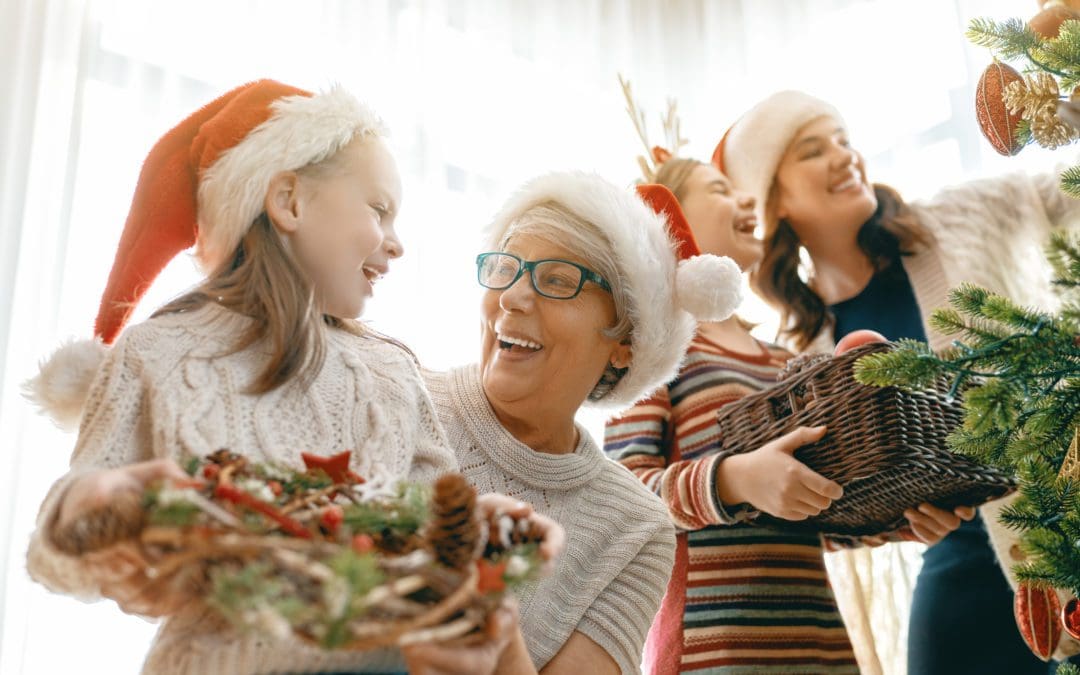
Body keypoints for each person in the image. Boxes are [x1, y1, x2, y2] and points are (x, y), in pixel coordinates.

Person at [23, 79, 560, 675]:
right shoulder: (157, 352)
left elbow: (438, 537)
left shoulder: (392, 374)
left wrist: (480, 542)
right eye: (379, 209)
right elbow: (57, 547)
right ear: (290, 202)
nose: (398, 242)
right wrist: (94, 513)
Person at [715, 90, 1080, 672]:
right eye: (813, 150)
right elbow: (840, 512)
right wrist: (903, 524)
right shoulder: (807, 356)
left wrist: (1061, 102)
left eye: (843, 140)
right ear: (773, 199)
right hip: (958, 574)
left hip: (1063, 539)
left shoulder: (952, 223)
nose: (844, 156)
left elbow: (1063, 190)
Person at [604, 153, 971, 674]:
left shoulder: (787, 363)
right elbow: (621, 499)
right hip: (715, 653)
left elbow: (814, 515)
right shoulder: (654, 353)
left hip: (817, 644)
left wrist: (902, 522)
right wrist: (733, 480)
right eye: (720, 190)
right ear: (670, 220)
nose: (748, 201)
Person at [422, 171, 746, 673]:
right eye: (506, 269)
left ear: (623, 344)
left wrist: (485, 614)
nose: (512, 296)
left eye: (557, 280)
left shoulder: (636, 528)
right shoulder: (400, 396)